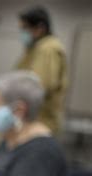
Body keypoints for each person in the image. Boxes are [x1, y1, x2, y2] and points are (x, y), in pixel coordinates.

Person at [16, 6, 67, 134]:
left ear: (40, 28)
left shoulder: (48, 49)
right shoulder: (36, 48)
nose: (23, 33)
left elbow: (38, 86)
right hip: (35, 119)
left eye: (25, 28)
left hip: (41, 121)